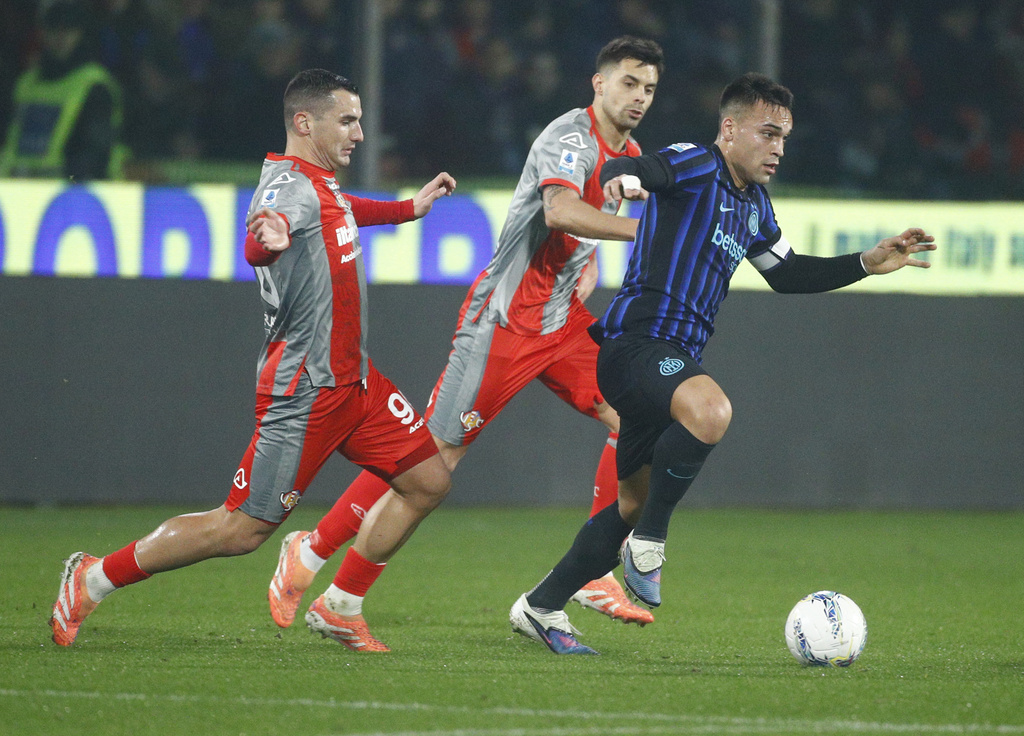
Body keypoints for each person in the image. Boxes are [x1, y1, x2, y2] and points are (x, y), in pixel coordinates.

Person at [510, 72, 937, 654]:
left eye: (784, 138)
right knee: (710, 411)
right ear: (730, 130)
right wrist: (622, 178)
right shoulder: (695, 163)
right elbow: (641, 168)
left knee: (629, 504)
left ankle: (540, 606)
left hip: (667, 361)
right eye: (768, 133)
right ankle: (650, 545)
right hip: (636, 345)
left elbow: (788, 274)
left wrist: (866, 262)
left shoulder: (755, 206)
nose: (778, 148)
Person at [266, 36, 665, 649]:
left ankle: (593, 570)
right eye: (629, 83)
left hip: (560, 322)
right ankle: (331, 581)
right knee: (427, 460)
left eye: (649, 88)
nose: (639, 96)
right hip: (505, 322)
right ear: (599, 83)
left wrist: (587, 262)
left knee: (635, 418)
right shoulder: (570, 138)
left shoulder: (629, 154)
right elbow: (559, 210)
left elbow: (580, 228)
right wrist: (639, 233)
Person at [49, 68, 457, 649]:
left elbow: (338, 208)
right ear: (304, 122)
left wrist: (406, 209)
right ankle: (92, 578)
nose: (360, 134)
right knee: (239, 530)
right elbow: (262, 234)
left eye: (359, 120)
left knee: (428, 480)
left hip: (356, 383)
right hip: (305, 390)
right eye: (348, 121)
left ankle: (341, 604)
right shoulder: (286, 191)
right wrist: (266, 240)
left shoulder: (316, 183)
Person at [0, 0, 126, 180]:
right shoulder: (26, 83)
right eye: (53, 29)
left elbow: (94, 152)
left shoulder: (94, 85)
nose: (60, 37)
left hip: (69, 189)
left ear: (82, 33)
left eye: (68, 29)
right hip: (15, 184)